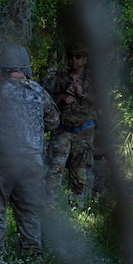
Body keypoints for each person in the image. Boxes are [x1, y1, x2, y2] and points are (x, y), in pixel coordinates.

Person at [0, 45, 57, 254]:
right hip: (32, 161)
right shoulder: (39, 92)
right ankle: (32, 257)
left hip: (1, 160)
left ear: (3, 67)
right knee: (29, 211)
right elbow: (53, 121)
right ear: (25, 66)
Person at [43, 46, 96, 201]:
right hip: (62, 130)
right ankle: (49, 204)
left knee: (79, 172)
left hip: (83, 131)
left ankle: (77, 205)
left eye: (78, 56)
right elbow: (44, 96)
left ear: (84, 59)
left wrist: (83, 94)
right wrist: (61, 97)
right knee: (55, 168)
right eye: (71, 56)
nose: (74, 60)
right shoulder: (59, 78)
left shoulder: (92, 79)